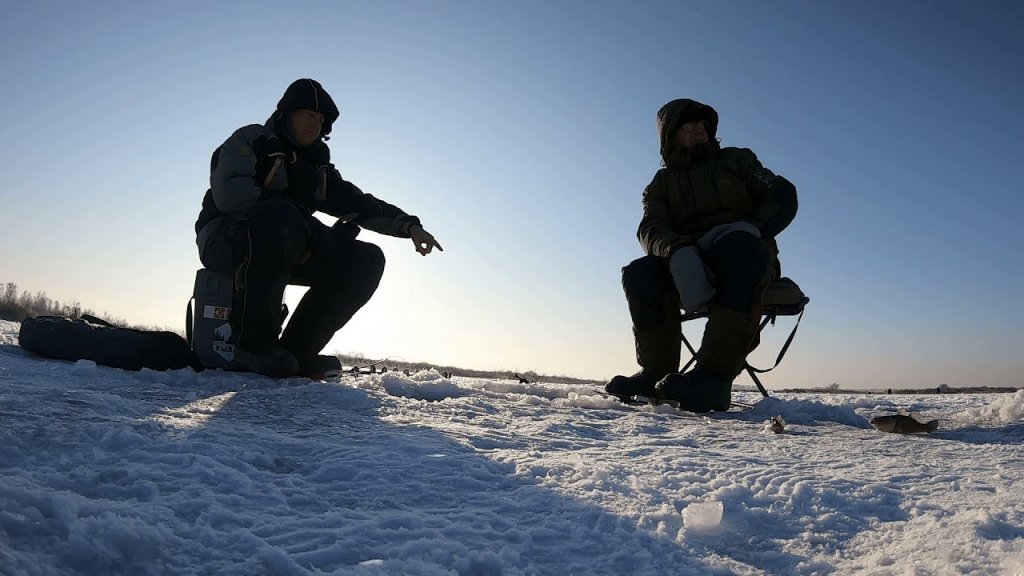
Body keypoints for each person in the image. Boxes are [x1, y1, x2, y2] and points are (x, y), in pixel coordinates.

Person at [195, 79, 442, 378]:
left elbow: (361, 204)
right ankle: (255, 345)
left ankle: (296, 352)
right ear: (287, 113)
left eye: (322, 120)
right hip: (224, 239)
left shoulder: (317, 172)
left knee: (365, 259)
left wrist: (409, 227)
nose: (317, 123)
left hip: (288, 243)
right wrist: (302, 224)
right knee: (280, 216)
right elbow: (230, 194)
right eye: (310, 114)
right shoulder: (252, 139)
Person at [606, 98, 797, 412]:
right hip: (689, 265)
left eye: (702, 125)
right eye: (689, 125)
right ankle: (656, 374)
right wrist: (676, 249)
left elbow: (782, 193)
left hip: (745, 256)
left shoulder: (738, 160)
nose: (699, 130)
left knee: (739, 248)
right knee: (640, 272)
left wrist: (754, 228)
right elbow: (650, 227)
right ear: (670, 135)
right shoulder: (660, 184)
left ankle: (713, 379)